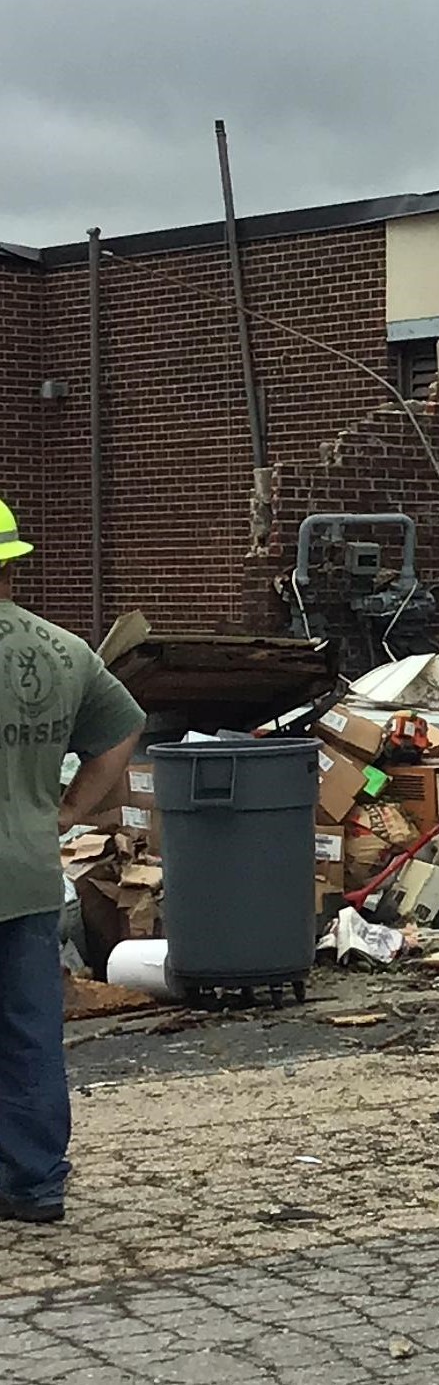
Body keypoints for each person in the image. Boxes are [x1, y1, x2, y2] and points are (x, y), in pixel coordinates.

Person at [0, 499, 143, 1226]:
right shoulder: (62, 650)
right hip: (25, 868)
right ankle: (33, 1182)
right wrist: (67, 812)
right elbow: (122, 730)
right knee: (28, 1030)